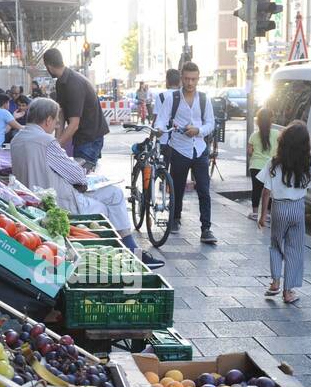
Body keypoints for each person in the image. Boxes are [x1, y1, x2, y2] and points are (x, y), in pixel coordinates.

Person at [11, 98, 162, 267]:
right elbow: (78, 177)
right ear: (48, 120)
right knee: (108, 206)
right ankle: (131, 252)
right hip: (58, 201)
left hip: (37, 196)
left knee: (114, 193)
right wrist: (78, 167)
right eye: (56, 121)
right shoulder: (46, 142)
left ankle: (131, 250)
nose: (56, 126)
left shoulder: (17, 139)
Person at [154, 61, 217, 244]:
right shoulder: (173, 99)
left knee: (204, 189)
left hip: (199, 149)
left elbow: (210, 123)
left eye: (194, 79)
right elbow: (162, 120)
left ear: (198, 79)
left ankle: (206, 228)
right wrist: (159, 129)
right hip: (179, 148)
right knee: (177, 187)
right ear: (182, 78)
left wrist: (198, 130)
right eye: (187, 79)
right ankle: (175, 218)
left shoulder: (204, 99)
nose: (190, 83)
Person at [258, 121, 311, 305]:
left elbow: (266, 191)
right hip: (298, 208)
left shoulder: (274, 163)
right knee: (295, 250)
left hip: (279, 208)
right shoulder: (307, 163)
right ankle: (288, 292)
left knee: (276, 245)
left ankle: (275, 281)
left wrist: (262, 215)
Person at [44, 48, 109, 168]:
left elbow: (74, 124)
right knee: (77, 176)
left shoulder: (73, 84)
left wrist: (56, 146)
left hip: (90, 138)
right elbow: (61, 114)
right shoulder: (61, 82)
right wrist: (57, 141)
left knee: (81, 179)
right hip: (82, 136)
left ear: (48, 66)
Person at [247, 106, 279, 223]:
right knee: (269, 190)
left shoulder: (253, 135)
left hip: (256, 166)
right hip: (271, 166)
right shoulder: (277, 134)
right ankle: (268, 214)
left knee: (256, 189)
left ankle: (255, 213)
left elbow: (250, 152)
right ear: (271, 120)